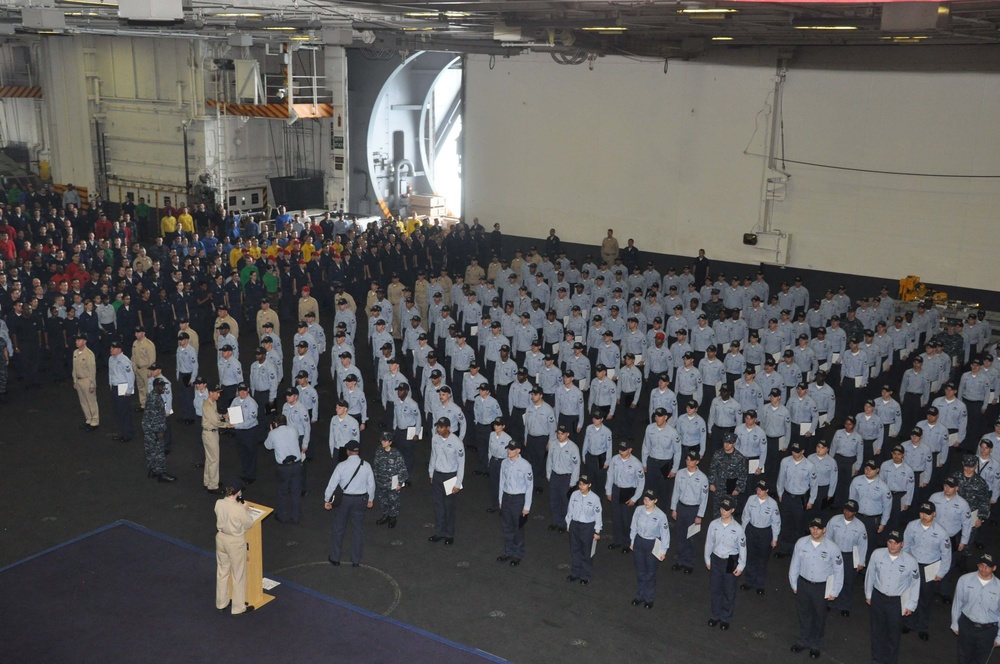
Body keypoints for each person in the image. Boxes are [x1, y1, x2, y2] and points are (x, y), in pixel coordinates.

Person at [788, 518, 844, 658]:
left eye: (818, 528)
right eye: (812, 527)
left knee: (819, 616)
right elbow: (794, 564)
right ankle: (803, 641)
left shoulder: (832, 548)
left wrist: (834, 591)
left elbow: (839, 571)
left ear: (824, 530)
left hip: (821, 587)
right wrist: (794, 584)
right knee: (804, 614)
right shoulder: (801, 543)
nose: (815, 531)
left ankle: (815, 645)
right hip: (804, 584)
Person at [864, 530, 920, 664]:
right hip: (878, 597)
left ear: (902, 544)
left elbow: (915, 584)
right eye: (890, 542)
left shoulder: (910, 561)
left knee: (893, 634)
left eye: (896, 543)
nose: (892, 546)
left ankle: (890, 661)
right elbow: (870, 574)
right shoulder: (877, 554)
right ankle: (876, 660)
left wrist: (911, 604)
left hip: (897, 602)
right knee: (877, 631)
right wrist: (868, 594)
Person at [901, 501, 951, 641]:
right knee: (910, 595)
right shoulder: (912, 526)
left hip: (930, 567)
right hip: (913, 564)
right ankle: (908, 623)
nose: (924, 516)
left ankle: (922, 626)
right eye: (922, 512)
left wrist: (941, 573)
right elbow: (906, 546)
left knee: (925, 598)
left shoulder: (941, 532)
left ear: (934, 514)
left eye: (928, 513)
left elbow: (946, 555)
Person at [323, 440, 374, 566]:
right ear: (358, 451)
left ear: (347, 451)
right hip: (360, 499)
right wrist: (370, 499)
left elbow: (332, 484)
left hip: (344, 500)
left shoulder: (341, 466)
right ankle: (355, 560)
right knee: (357, 529)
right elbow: (371, 485)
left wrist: (327, 500)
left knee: (339, 527)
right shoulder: (366, 465)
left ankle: (335, 558)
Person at [705, 496, 747, 630]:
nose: (723, 511)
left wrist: (741, 565)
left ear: (733, 510)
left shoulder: (739, 529)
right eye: (722, 508)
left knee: (729, 590)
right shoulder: (713, 524)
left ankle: (725, 617)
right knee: (715, 588)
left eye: (727, 509)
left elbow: (743, 548)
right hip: (716, 559)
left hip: (730, 560)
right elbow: (709, 543)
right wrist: (707, 558)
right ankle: (715, 615)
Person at [215, 478, 255, 616]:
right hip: (235, 542)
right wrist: (245, 510)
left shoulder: (219, 503)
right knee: (238, 574)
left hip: (221, 538)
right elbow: (249, 523)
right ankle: (238, 607)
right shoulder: (238, 509)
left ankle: (221, 603)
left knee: (222, 571)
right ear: (238, 492)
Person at [951, 552, 1000, 664]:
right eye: (981, 565)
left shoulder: (999, 588)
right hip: (966, 625)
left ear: (994, 568)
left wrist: (999, 636)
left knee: (980, 660)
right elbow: (957, 603)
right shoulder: (964, 580)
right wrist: (955, 623)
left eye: (987, 566)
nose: (983, 568)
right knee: (963, 657)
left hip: (988, 630)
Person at [826, 499, 868, 617]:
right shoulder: (834, 520)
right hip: (835, 554)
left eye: (850, 511)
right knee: (832, 578)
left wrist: (861, 561)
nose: (847, 512)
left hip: (850, 556)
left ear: (855, 512)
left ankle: (844, 605)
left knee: (848, 581)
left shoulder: (860, 526)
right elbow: (827, 537)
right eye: (845, 509)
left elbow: (863, 545)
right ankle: (830, 602)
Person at [629, 488, 670, 609]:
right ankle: (640, 595)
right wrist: (632, 541)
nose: (646, 502)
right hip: (639, 541)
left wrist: (663, 551)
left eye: (650, 500)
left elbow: (665, 534)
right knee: (640, 571)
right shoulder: (638, 510)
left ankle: (649, 598)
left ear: (655, 500)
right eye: (645, 499)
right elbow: (633, 526)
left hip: (653, 543)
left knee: (650, 572)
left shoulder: (661, 515)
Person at [672, 449, 709, 574]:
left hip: (694, 510)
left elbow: (704, 499)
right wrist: (674, 508)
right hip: (682, 507)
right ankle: (680, 561)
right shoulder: (680, 473)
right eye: (687, 459)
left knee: (692, 537)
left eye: (692, 460)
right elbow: (676, 491)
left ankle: (689, 562)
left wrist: (700, 515)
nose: (689, 462)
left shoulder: (703, 478)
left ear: (697, 461)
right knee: (681, 536)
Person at [740, 478, 780, 595]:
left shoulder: (773, 504)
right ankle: (749, 581)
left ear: (767, 490)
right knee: (750, 557)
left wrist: (775, 538)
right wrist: (742, 532)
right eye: (758, 489)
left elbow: (776, 522)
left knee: (762, 559)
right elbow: (745, 516)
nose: (759, 492)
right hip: (751, 530)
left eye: (762, 490)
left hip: (765, 533)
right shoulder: (751, 499)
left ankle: (760, 584)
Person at [428, 416, 465, 545]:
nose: (439, 429)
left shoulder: (456, 442)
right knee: (438, 505)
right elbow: (433, 456)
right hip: (438, 475)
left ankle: (449, 534)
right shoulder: (435, 439)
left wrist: (458, 483)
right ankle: (440, 532)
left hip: (450, 476)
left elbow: (461, 464)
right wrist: (431, 472)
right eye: (438, 426)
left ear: (448, 428)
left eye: (441, 427)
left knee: (449, 506)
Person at [605, 439, 645, 553]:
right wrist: (608, 491)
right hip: (617, 490)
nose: (621, 452)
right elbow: (610, 475)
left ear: (630, 450)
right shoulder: (615, 459)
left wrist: (635, 498)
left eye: (624, 450)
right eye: (620, 449)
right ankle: (618, 540)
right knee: (616, 517)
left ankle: (629, 543)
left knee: (627, 519)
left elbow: (641, 482)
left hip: (629, 491)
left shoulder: (636, 463)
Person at [497, 440, 533, 566]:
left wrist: (526, 507)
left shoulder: (525, 466)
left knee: (517, 527)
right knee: (507, 526)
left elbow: (529, 487)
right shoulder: (504, 463)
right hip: (506, 497)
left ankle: (518, 554)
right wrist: (501, 500)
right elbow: (502, 482)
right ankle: (508, 552)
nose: (508, 451)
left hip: (518, 500)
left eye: (511, 449)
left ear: (518, 451)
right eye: (508, 449)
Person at [264, 414, 304, 524]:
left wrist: (271, 431)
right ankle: (296, 516)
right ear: (286, 422)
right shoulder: (294, 430)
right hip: (297, 464)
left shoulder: (273, 433)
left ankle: (283, 516)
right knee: (296, 491)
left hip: (283, 467)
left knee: (282, 492)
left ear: (275, 423)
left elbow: (268, 446)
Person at [566, 474, 602, 584]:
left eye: (584, 484)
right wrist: (569, 524)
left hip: (588, 527)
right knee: (575, 549)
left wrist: (597, 531)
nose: (581, 486)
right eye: (580, 484)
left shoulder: (595, 498)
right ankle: (575, 573)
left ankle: (585, 575)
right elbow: (570, 511)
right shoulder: (574, 495)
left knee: (586, 552)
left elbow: (598, 515)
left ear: (589, 485)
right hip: (575, 525)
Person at [142, 378, 175, 482]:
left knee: (151, 451)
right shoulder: (155, 399)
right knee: (159, 452)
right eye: (162, 386)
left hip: (148, 429)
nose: (164, 388)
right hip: (154, 430)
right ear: (155, 386)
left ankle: (153, 470)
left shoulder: (153, 396)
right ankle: (161, 474)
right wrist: (159, 432)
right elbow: (155, 417)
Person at [374, 431, 408, 528]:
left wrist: (400, 483)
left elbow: (403, 469)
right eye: (382, 440)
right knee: (383, 500)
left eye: (385, 441)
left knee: (393, 501)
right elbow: (376, 465)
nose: (383, 442)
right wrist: (376, 478)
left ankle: (393, 517)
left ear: (390, 442)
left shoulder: (396, 454)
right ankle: (386, 515)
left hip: (392, 483)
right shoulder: (379, 451)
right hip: (381, 482)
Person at [202, 384, 231, 495]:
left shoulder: (212, 403)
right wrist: (228, 424)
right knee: (214, 460)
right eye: (217, 393)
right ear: (211, 393)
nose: (219, 395)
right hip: (210, 434)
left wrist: (223, 416)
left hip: (210, 433)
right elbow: (215, 422)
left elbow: (214, 416)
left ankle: (208, 481)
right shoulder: (208, 405)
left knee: (209, 459)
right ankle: (213, 486)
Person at [72, 333, 99, 431]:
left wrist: (92, 384)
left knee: (91, 401)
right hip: (79, 380)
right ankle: (88, 419)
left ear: (84, 341)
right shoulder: (75, 352)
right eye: (76, 340)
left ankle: (95, 421)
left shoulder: (89, 354)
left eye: (78, 340)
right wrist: (75, 380)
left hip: (87, 380)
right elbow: (74, 368)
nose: (76, 342)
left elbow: (92, 370)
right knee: (83, 401)